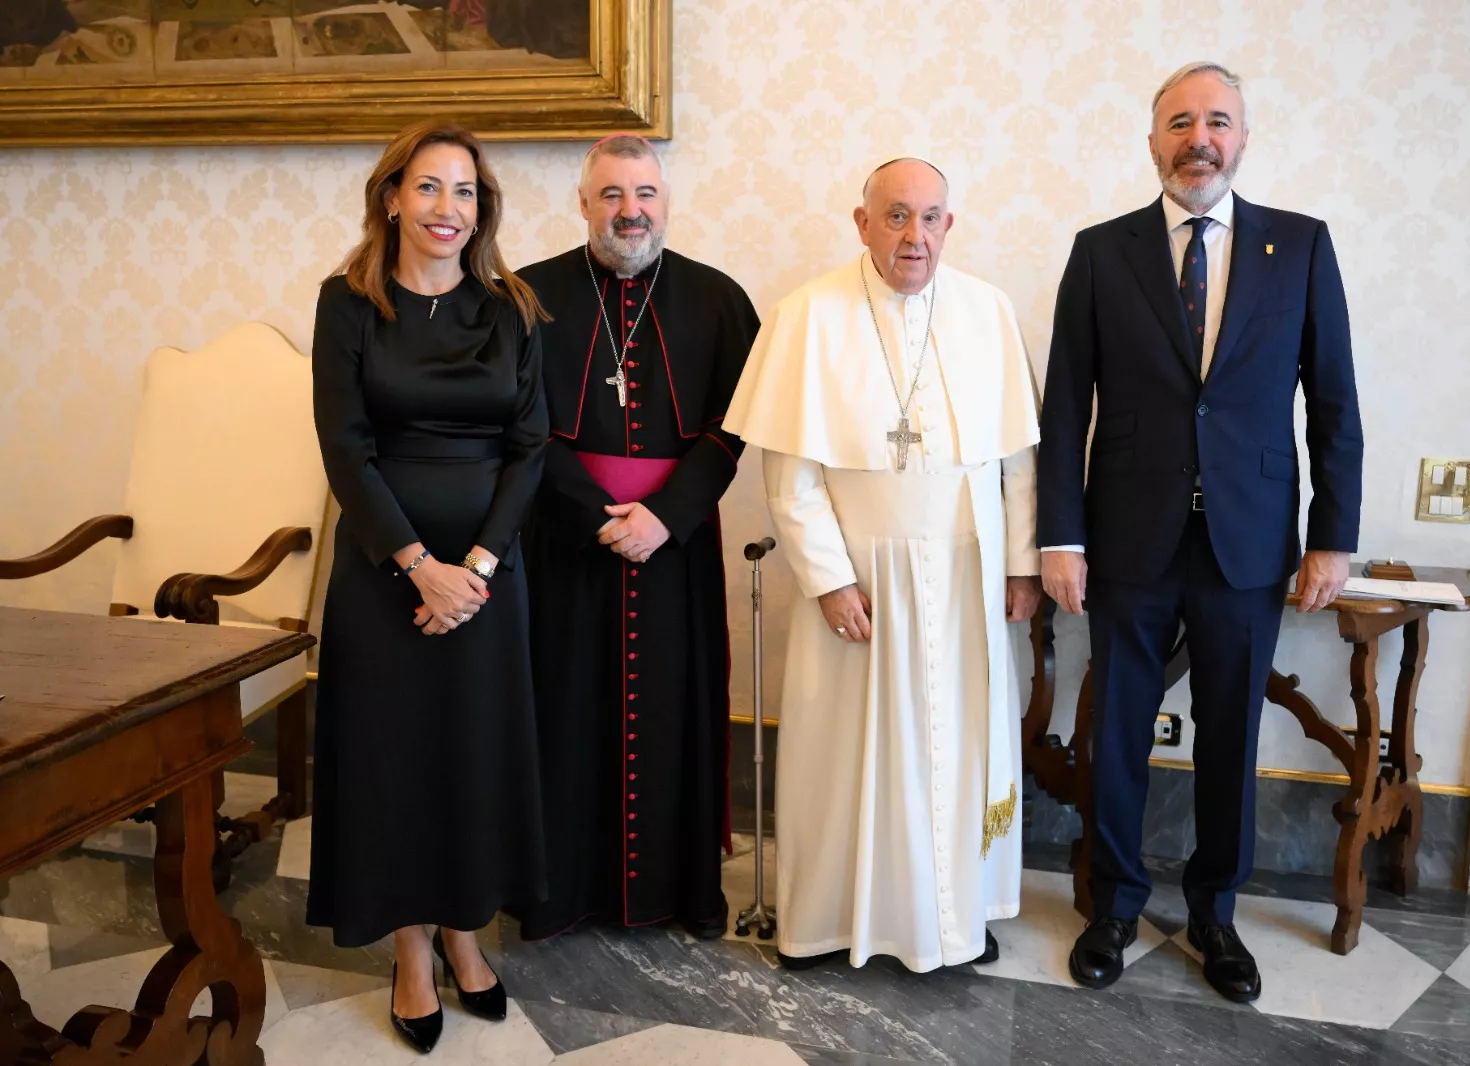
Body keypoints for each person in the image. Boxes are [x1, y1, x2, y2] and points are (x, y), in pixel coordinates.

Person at [1037, 62, 1363, 1001]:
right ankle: (1114, 905)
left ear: (1244, 138)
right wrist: (1061, 534)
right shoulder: (1101, 252)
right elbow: (1066, 409)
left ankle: (1215, 912)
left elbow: (1334, 400)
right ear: (1153, 143)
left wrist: (1330, 536)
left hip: (1249, 542)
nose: (1199, 138)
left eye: (1217, 120)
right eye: (1180, 122)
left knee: (1229, 733)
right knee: (1117, 732)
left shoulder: (1299, 247)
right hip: (1127, 538)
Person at [723, 157, 1042, 973]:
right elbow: (789, 476)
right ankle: (830, 920)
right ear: (860, 222)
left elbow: (1017, 462)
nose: (914, 235)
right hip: (857, 579)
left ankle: (956, 912)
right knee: (845, 754)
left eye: (931, 217)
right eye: (895, 216)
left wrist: (1019, 566)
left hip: (967, 575)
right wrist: (828, 578)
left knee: (961, 745)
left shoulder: (987, 311)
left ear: (950, 226)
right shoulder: (807, 315)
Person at [308, 119, 551, 1054]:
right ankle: (412, 948)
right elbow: (345, 449)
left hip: (488, 579)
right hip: (385, 573)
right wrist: (419, 566)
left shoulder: (514, 308)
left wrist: (478, 570)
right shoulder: (347, 304)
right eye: (430, 188)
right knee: (393, 759)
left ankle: (465, 929)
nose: (449, 209)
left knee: (474, 753)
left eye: (466, 192)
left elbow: (530, 448)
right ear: (392, 198)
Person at [513, 134, 760, 941]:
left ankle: (678, 893)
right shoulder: (529, 297)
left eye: (645, 193)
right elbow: (520, 429)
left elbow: (733, 430)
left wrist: (666, 516)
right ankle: (560, 894)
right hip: (565, 542)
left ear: (666, 202)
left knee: (675, 715)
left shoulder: (720, 301)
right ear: (584, 203)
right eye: (612, 194)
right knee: (564, 712)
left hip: (675, 545)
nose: (630, 211)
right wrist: (593, 517)